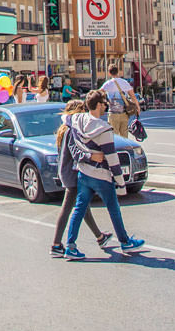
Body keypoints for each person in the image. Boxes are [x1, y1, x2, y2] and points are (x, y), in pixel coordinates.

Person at [60, 90, 143, 259]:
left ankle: (70, 245)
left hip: (84, 172)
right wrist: (120, 182)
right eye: (104, 104)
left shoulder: (77, 120)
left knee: (79, 208)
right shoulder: (103, 130)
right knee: (113, 208)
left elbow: (66, 118)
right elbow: (112, 159)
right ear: (98, 105)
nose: (106, 106)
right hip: (101, 175)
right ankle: (125, 242)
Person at [49, 100, 106, 257]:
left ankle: (100, 237)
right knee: (69, 209)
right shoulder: (72, 130)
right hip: (72, 174)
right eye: (83, 110)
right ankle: (56, 245)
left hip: (66, 173)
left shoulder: (64, 129)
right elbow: (76, 153)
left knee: (83, 207)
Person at [97, 68, 139, 138]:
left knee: (114, 137)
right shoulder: (124, 82)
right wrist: (138, 107)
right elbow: (133, 96)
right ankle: (125, 148)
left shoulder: (108, 83)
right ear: (118, 72)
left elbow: (98, 94)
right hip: (124, 113)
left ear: (109, 73)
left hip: (113, 113)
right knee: (124, 136)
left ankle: (116, 149)